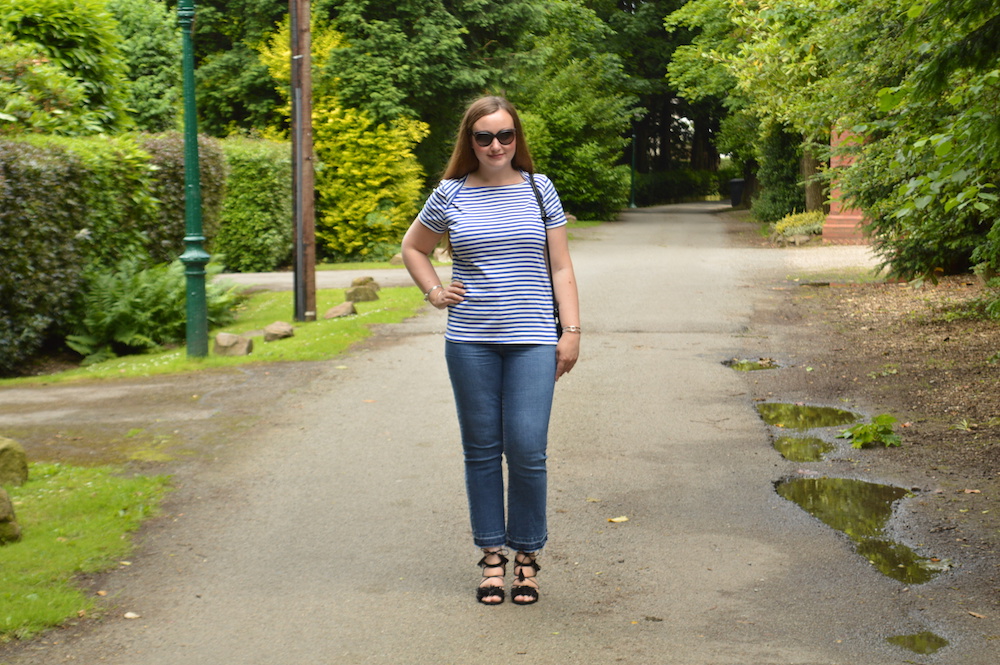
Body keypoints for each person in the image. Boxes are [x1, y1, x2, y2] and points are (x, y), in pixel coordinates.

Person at [401, 96, 581, 606]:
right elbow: (414, 247)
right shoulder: (451, 193)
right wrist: (435, 292)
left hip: (533, 340)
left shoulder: (539, 189)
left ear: (517, 138)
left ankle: (527, 553)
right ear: (470, 142)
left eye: (505, 135)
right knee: (481, 452)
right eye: (484, 137)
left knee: (527, 449)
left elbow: (561, 268)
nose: (496, 145)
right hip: (471, 341)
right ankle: (492, 557)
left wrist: (571, 330)